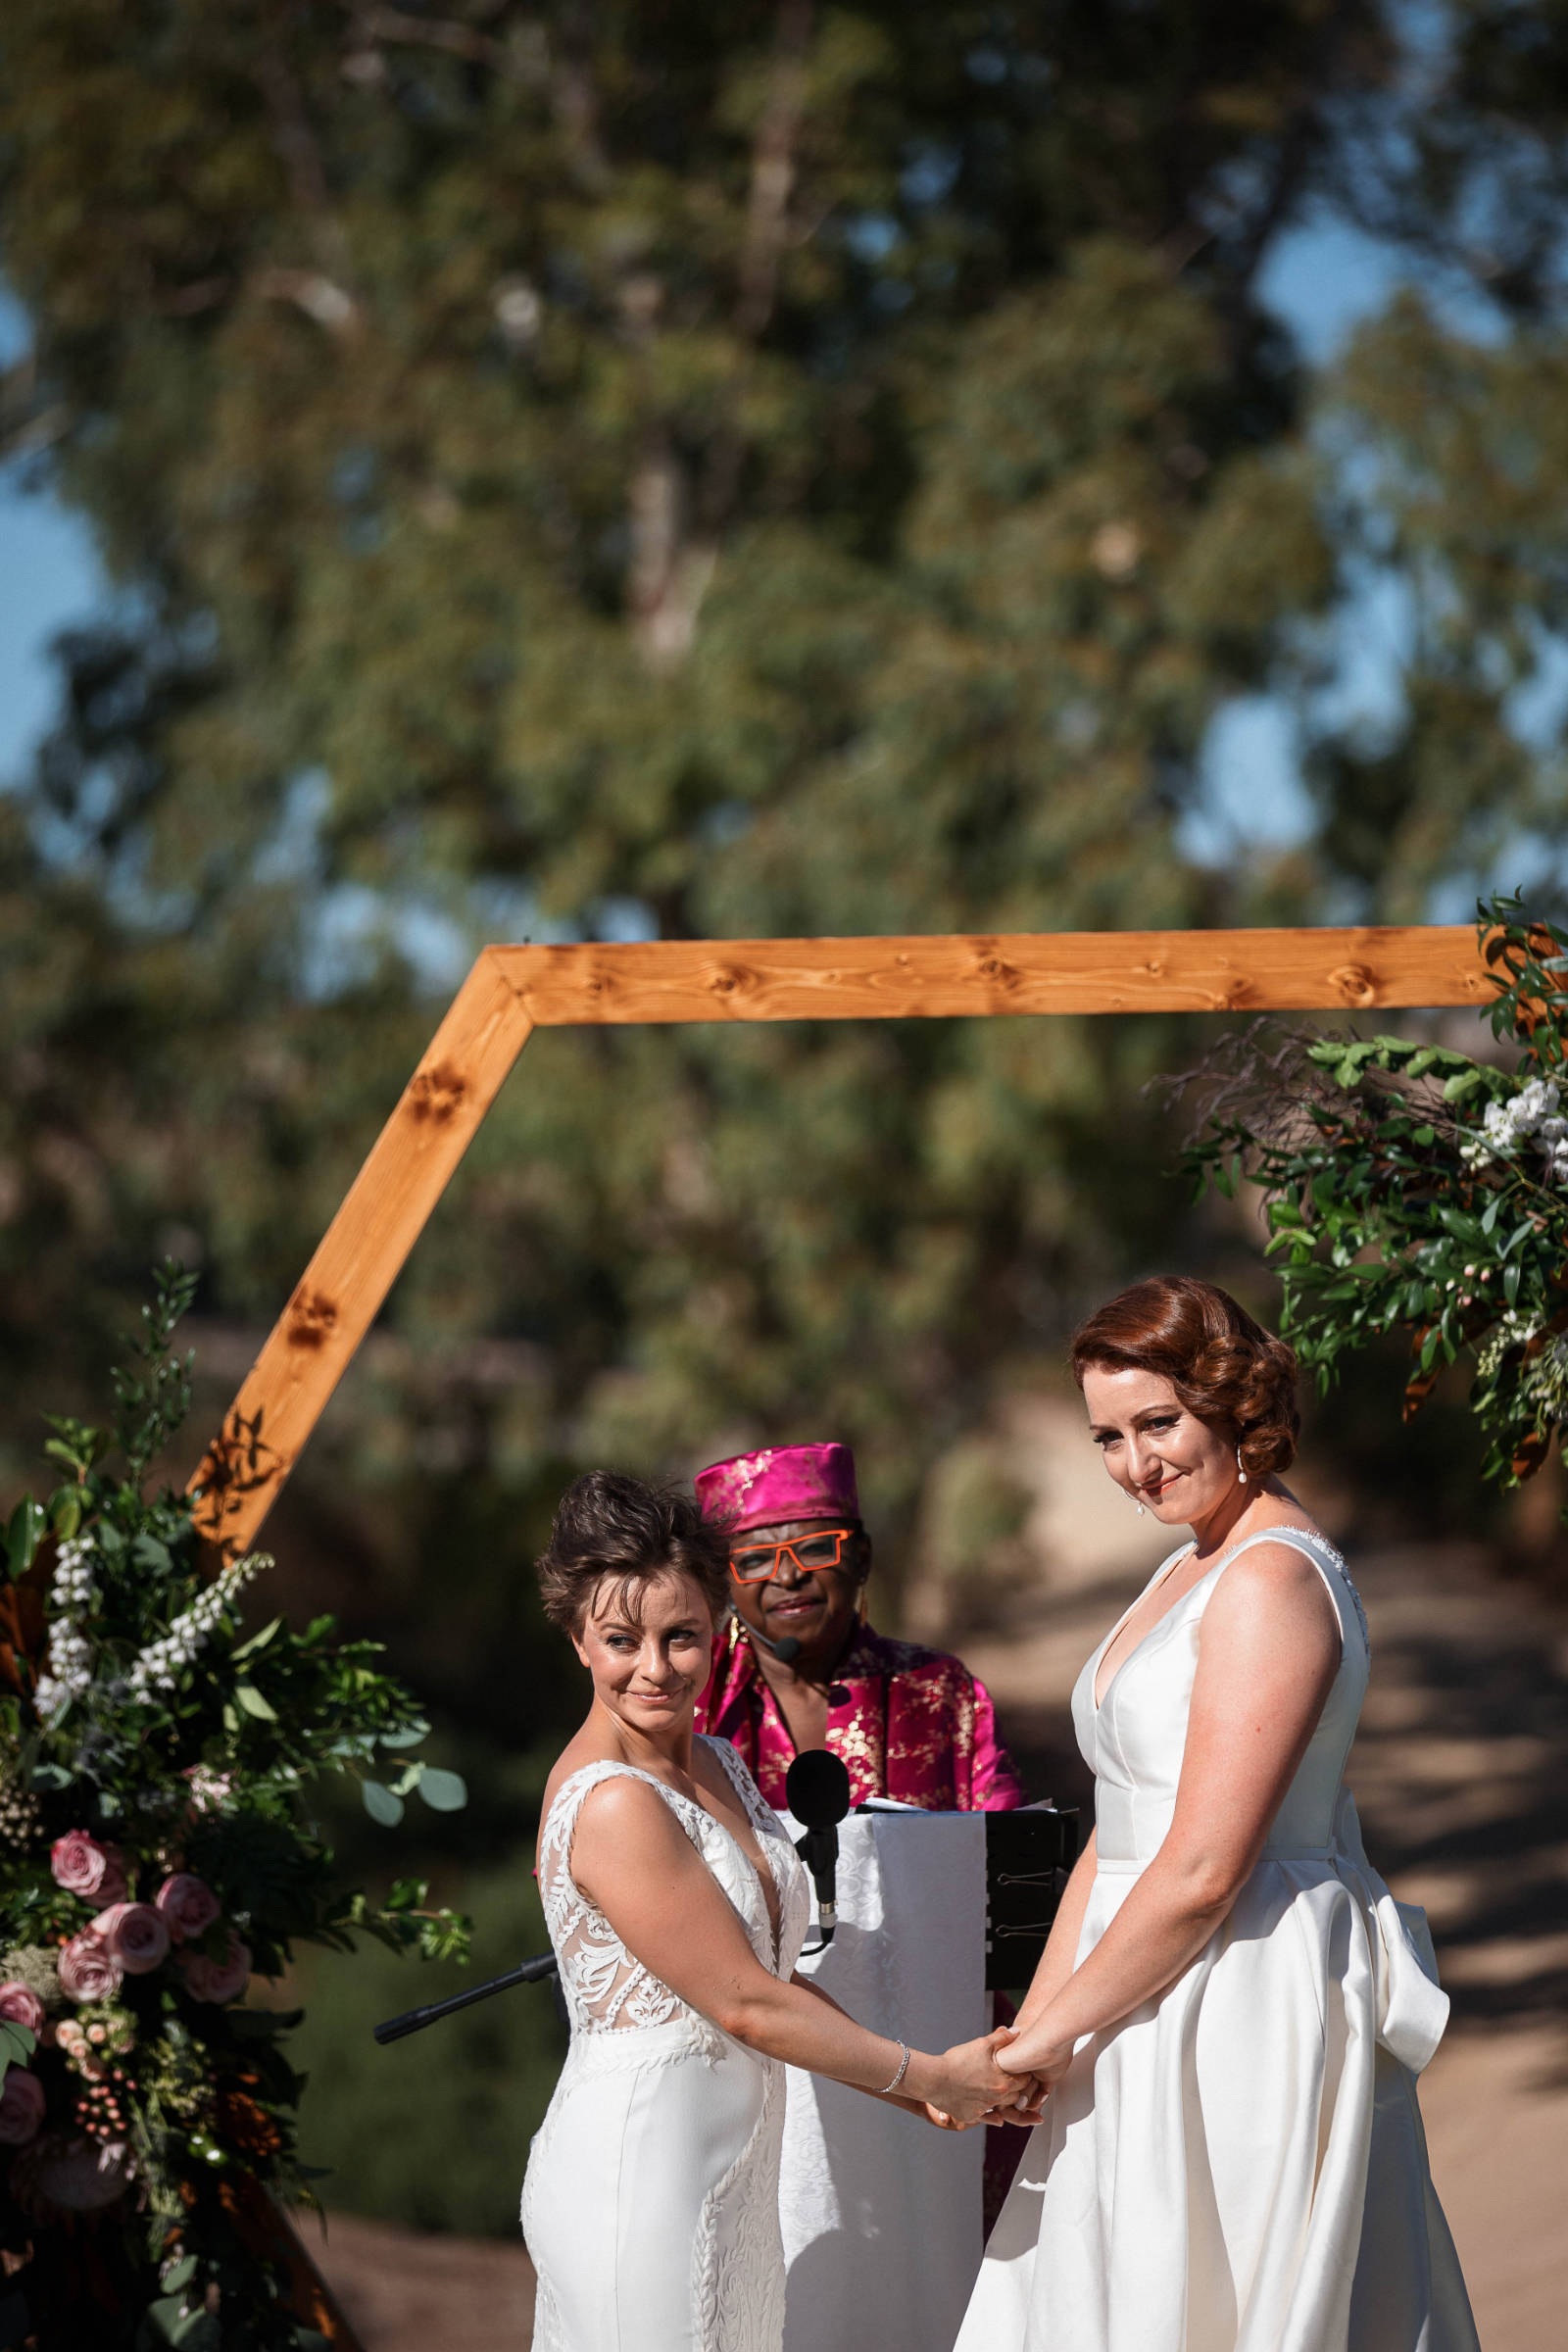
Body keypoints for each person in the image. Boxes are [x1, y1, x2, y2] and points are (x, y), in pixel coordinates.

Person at [955, 1276, 1479, 2352]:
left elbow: (1201, 1868)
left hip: (1238, 1992)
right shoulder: (1188, 1562)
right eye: (1107, 1436)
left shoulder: (1268, 1581)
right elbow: (1119, 1833)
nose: (1135, 1464)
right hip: (1133, 1987)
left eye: (1158, 1423)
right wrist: (1036, 2032)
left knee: (1220, 2291)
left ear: (1233, 1403)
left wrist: (1048, 2037)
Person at [519, 1471, 1038, 2352]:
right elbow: (745, 2005)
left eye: (681, 1636)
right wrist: (929, 2077)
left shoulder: (717, 1763)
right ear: (578, 1640)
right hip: (640, 2174)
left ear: (719, 1632)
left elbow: (774, 1974)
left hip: (733, 2178)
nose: (655, 1667)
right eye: (621, 1639)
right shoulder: (613, 1804)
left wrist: (932, 2092)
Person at [694, 1442, 1024, 1813]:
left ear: (861, 1560)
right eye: (755, 1560)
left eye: (816, 1550)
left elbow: (1003, 1847)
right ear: (726, 1583)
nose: (788, 1576)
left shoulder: (939, 1689)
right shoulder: (688, 1692)